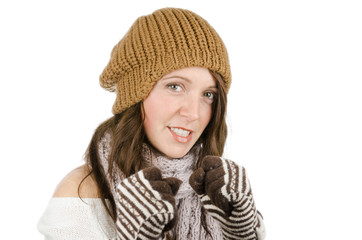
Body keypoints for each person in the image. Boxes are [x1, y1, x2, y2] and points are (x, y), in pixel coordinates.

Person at [38, 7, 266, 240]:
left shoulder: (218, 191)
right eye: (175, 86)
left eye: (208, 94)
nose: (194, 113)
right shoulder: (81, 194)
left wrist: (243, 232)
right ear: (135, 95)